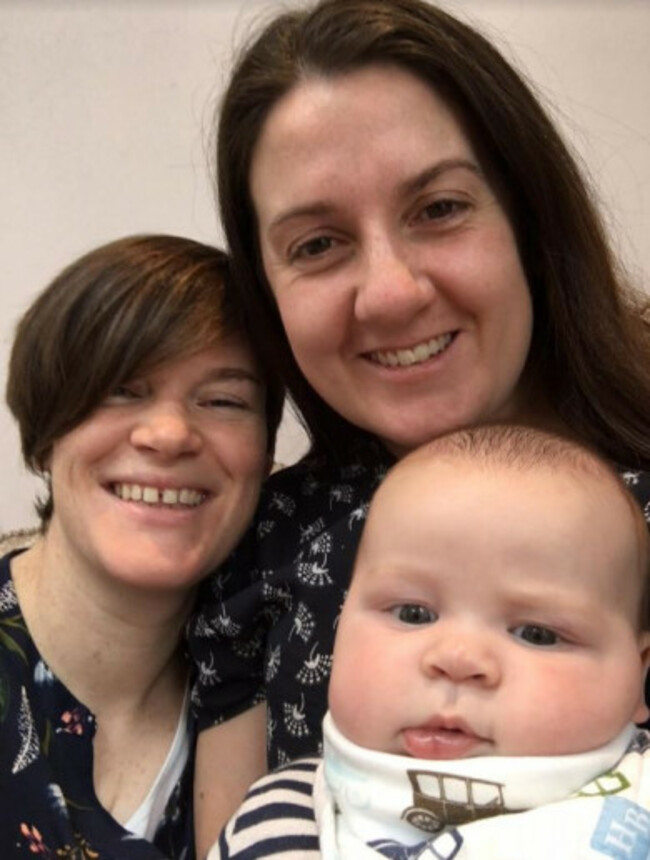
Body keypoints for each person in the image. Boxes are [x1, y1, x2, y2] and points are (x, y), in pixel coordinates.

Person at [188, 0, 650, 849]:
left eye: (438, 208)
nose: (391, 293)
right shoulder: (266, 538)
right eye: (317, 244)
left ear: (528, 217)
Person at [213, 425, 650, 860]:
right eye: (413, 614)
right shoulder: (274, 820)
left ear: (639, 670)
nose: (456, 658)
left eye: (537, 634)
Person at [0, 235, 283, 859]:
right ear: (47, 433)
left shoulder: (287, 688)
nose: (170, 434)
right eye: (123, 390)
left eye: (224, 401)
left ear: (264, 458)